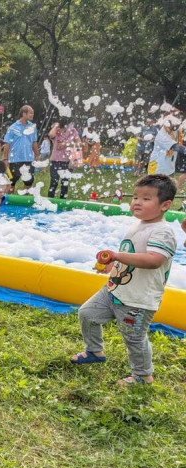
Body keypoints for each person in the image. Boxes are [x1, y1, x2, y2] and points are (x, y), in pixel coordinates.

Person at [70, 175, 177, 386]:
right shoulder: (139, 225)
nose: (137, 202)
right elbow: (132, 255)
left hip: (137, 299)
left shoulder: (163, 232)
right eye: (136, 197)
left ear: (165, 205)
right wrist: (113, 265)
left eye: (146, 198)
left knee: (134, 338)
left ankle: (143, 375)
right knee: (88, 314)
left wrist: (117, 256)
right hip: (115, 290)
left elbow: (154, 260)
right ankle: (95, 351)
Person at [2, 105, 39, 192]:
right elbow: (7, 144)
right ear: (24, 114)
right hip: (15, 160)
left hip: (29, 159)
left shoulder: (32, 127)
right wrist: (5, 158)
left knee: (28, 182)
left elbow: (34, 142)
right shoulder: (13, 128)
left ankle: (25, 202)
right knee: (11, 183)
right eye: (31, 113)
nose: (32, 115)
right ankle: (8, 203)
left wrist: (37, 155)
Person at [48, 117, 81, 199]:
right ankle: (49, 201)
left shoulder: (73, 131)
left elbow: (79, 143)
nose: (72, 125)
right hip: (55, 160)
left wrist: (66, 144)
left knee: (65, 183)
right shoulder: (57, 130)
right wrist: (56, 126)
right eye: (70, 123)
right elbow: (50, 135)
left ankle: (62, 204)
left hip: (67, 161)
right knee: (54, 181)